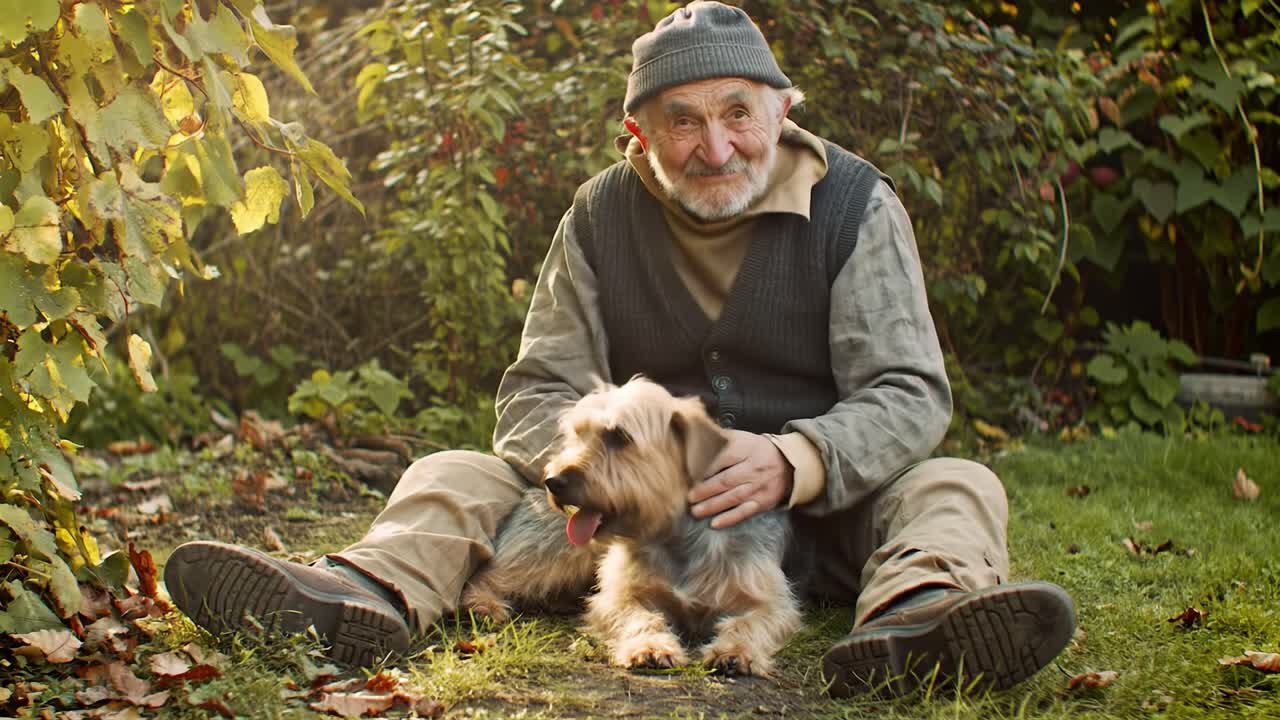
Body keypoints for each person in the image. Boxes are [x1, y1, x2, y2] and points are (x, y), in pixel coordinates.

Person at [165, 0, 1075, 698]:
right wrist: (620, 478)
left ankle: (918, 623)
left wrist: (798, 458)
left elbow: (908, 392)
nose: (715, 146)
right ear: (640, 130)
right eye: (682, 120)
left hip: (822, 519)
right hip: (630, 522)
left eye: (738, 114)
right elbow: (537, 388)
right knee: (456, 470)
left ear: (784, 109)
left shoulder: (855, 209)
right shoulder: (599, 215)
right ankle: (358, 594)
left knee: (958, 486)